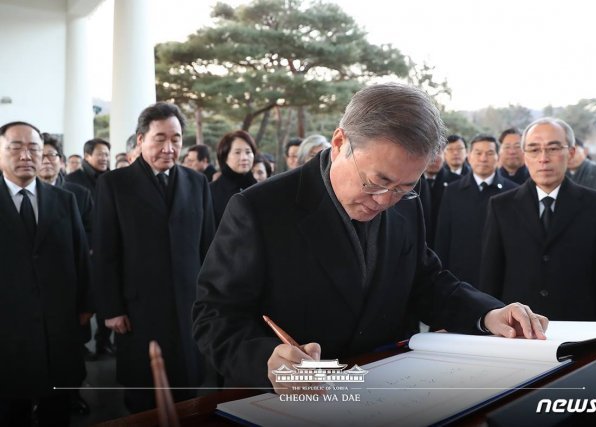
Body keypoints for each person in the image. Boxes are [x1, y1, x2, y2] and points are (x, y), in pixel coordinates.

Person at [193, 84, 548, 393]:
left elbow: (426, 280)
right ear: (339, 142)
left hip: (387, 390)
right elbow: (215, 316)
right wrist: (264, 359)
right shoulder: (260, 209)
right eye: (375, 182)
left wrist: (488, 313)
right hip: (291, 400)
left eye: (405, 187)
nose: (385, 200)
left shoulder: (406, 203)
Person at [92, 102, 215, 413]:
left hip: (189, 306)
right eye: (160, 138)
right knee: (144, 394)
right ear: (140, 140)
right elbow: (105, 252)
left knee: (190, 390)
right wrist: (112, 309)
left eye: (175, 139)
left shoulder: (196, 182)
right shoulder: (114, 184)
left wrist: (212, 300)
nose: (169, 147)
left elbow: (208, 247)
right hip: (138, 309)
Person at [479, 117, 596, 321]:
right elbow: (491, 278)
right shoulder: (501, 206)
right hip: (519, 331)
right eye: (534, 149)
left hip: (580, 327)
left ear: (570, 153)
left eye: (553, 148)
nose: (543, 158)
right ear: (524, 155)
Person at [0, 121, 91, 426]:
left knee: (57, 412)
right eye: (16, 146)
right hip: (8, 335)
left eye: (34, 148)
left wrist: (85, 306)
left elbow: (80, 257)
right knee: (12, 412)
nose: (26, 155)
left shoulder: (65, 201)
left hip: (58, 329)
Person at [434, 134, 517, 287]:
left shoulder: (513, 192)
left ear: (498, 157)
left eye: (490, 153)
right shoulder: (452, 191)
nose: (483, 158)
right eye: (478, 153)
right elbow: (443, 237)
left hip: (500, 277)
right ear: (469, 156)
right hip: (459, 277)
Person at [66, 137, 115, 356]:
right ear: (87, 156)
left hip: (106, 247)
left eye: (107, 154)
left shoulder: (113, 179)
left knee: (106, 294)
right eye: (100, 154)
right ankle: (80, 344)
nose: (104, 158)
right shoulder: (73, 181)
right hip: (84, 249)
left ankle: (103, 340)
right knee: (83, 297)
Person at [209, 130, 257, 227]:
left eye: (248, 152)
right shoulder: (210, 191)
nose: (244, 157)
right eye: (237, 152)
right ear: (224, 156)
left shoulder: (260, 188)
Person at [423, 150, 460, 246]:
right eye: (430, 155)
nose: (433, 159)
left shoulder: (458, 182)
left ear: (445, 155)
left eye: (438, 154)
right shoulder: (410, 182)